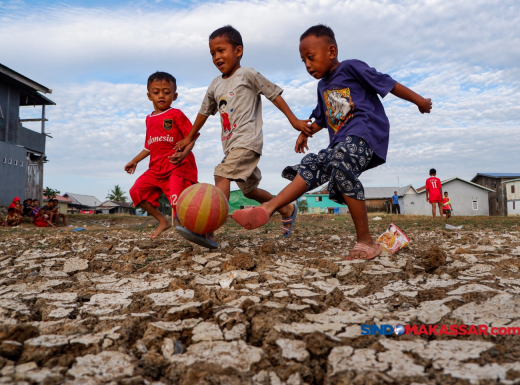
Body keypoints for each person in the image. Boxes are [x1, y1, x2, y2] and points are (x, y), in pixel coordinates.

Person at [230, 24, 432, 260]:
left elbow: (388, 83)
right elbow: (327, 117)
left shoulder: (351, 67)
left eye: (311, 57)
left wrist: (419, 101)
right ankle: (269, 207)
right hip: (340, 144)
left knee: (341, 161)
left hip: (366, 133)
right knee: (312, 165)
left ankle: (365, 241)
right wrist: (307, 131)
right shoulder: (322, 86)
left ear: (332, 51)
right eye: (303, 60)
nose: (307, 65)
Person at [173, 25, 313, 248]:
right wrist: (189, 138)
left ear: (238, 50)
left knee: (222, 175)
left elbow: (273, 94)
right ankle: (286, 208)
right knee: (250, 190)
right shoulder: (215, 85)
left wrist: (293, 120)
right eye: (212, 53)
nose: (216, 57)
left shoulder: (247, 74)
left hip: (248, 141)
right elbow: (203, 113)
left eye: (221, 50)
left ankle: (207, 230)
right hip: (231, 146)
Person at [126, 71, 199, 239]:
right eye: (156, 92)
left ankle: (199, 231)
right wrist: (135, 161)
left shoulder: (176, 114)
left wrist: (184, 154)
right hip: (156, 169)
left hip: (177, 167)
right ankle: (162, 221)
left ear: (175, 95)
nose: (161, 96)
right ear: (149, 95)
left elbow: (191, 137)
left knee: (179, 204)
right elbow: (149, 146)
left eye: (166, 92)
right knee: (136, 191)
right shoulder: (149, 119)